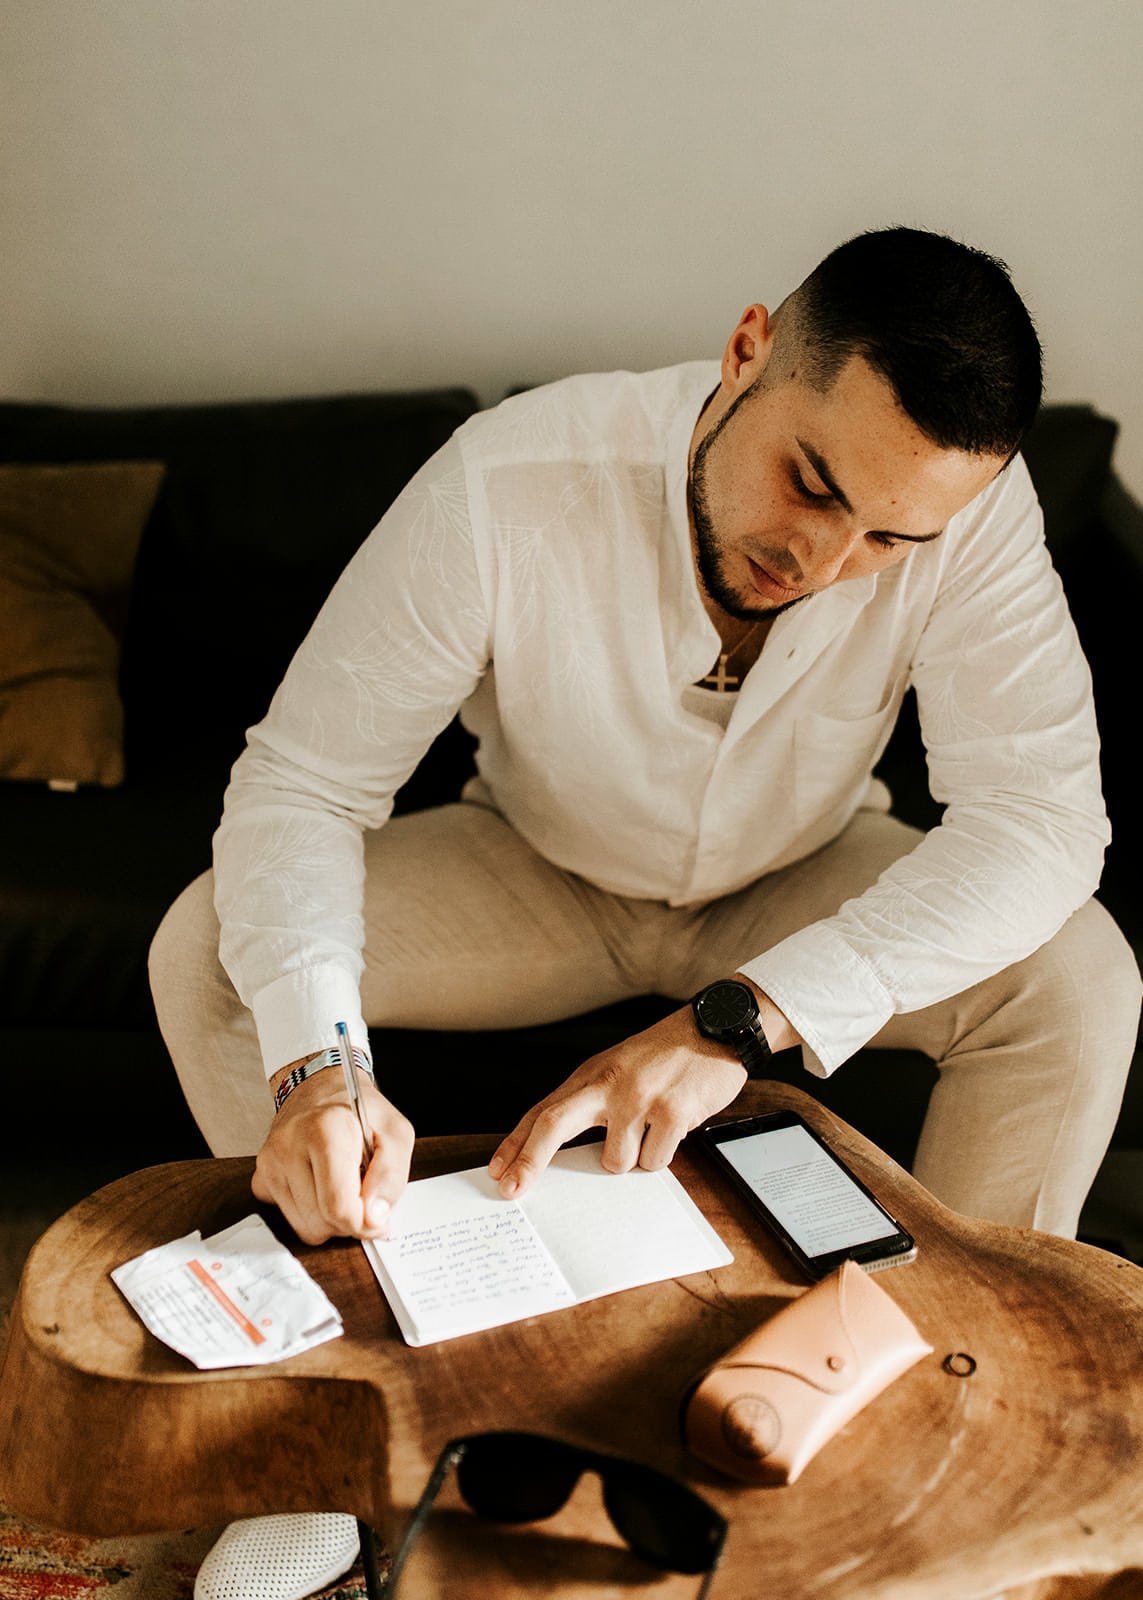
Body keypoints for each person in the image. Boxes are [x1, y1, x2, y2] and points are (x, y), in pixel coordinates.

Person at [150, 226, 1141, 1600]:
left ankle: (919, 1409)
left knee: (1082, 982)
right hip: (538, 864)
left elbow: (1044, 820)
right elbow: (305, 779)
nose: (831, 556)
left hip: (798, 889)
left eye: (890, 540)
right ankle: (344, 1420)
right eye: (812, 483)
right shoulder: (505, 482)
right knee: (208, 947)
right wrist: (318, 1071)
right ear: (747, 351)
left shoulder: (971, 518)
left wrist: (745, 1017)